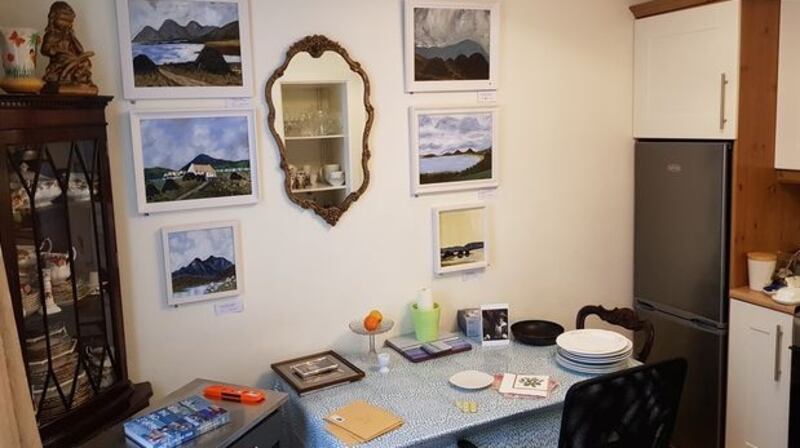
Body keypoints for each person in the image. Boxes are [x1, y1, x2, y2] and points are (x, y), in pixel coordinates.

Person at [41, 1, 97, 92]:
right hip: (60, 61)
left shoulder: (69, 35)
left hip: (71, 59)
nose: (66, 24)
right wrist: (54, 50)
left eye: (69, 22)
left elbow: (80, 50)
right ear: (53, 18)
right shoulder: (51, 35)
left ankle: (79, 78)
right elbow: (44, 49)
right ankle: (65, 78)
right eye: (63, 20)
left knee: (86, 62)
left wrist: (72, 37)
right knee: (68, 59)